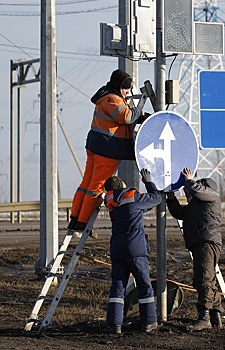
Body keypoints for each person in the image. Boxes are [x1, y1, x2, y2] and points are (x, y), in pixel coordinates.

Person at [68, 69, 144, 233]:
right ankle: (82, 222)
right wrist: (138, 111)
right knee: (97, 186)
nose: (128, 92)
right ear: (119, 87)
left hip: (96, 147)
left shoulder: (105, 97)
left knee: (86, 183)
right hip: (107, 150)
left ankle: (75, 218)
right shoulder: (113, 99)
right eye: (126, 88)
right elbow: (126, 117)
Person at [165, 167, 224, 331]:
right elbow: (179, 213)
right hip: (201, 242)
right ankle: (215, 315)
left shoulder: (212, 196)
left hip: (207, 241)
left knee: (203, 279)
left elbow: (195, 190)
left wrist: (189, 180)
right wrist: (171, 198)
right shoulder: (197, 204)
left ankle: (204, 317)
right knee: (209, 279)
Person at [104, 168, 162, 334]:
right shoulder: (133, 197)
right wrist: (148, 182)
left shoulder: (110, 202)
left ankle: (114, 325)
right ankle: (149, 322)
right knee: (144, 285)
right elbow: (156, 198)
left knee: (118, 287)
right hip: (135, 248)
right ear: (122, 185)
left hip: (117, 248)